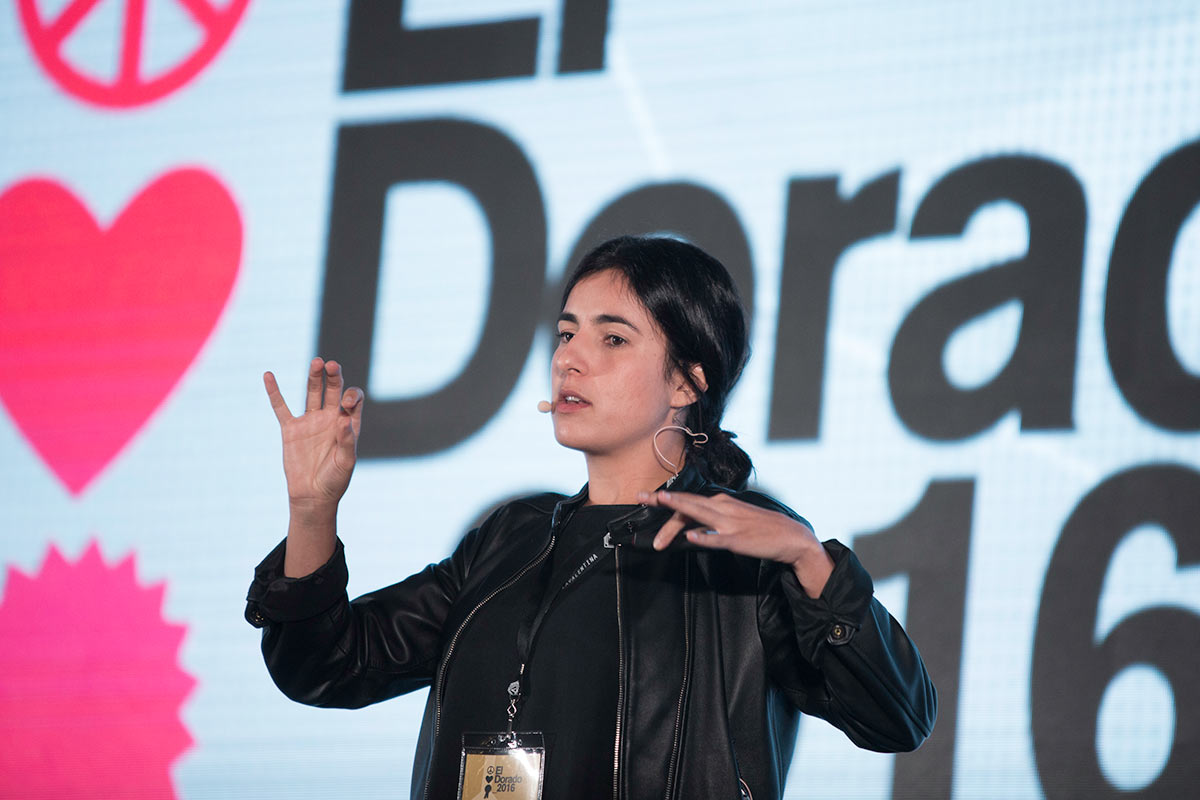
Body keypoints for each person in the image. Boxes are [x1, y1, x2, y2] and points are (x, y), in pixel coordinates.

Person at [245, 235, 937, 800]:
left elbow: (899, 717)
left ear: (686, 381)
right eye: (567, 333)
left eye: (613, 339)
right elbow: (326, 666)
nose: (570, 359)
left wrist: (811, 562)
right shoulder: (508, 538)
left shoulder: (743, 545)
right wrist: (312, 510)